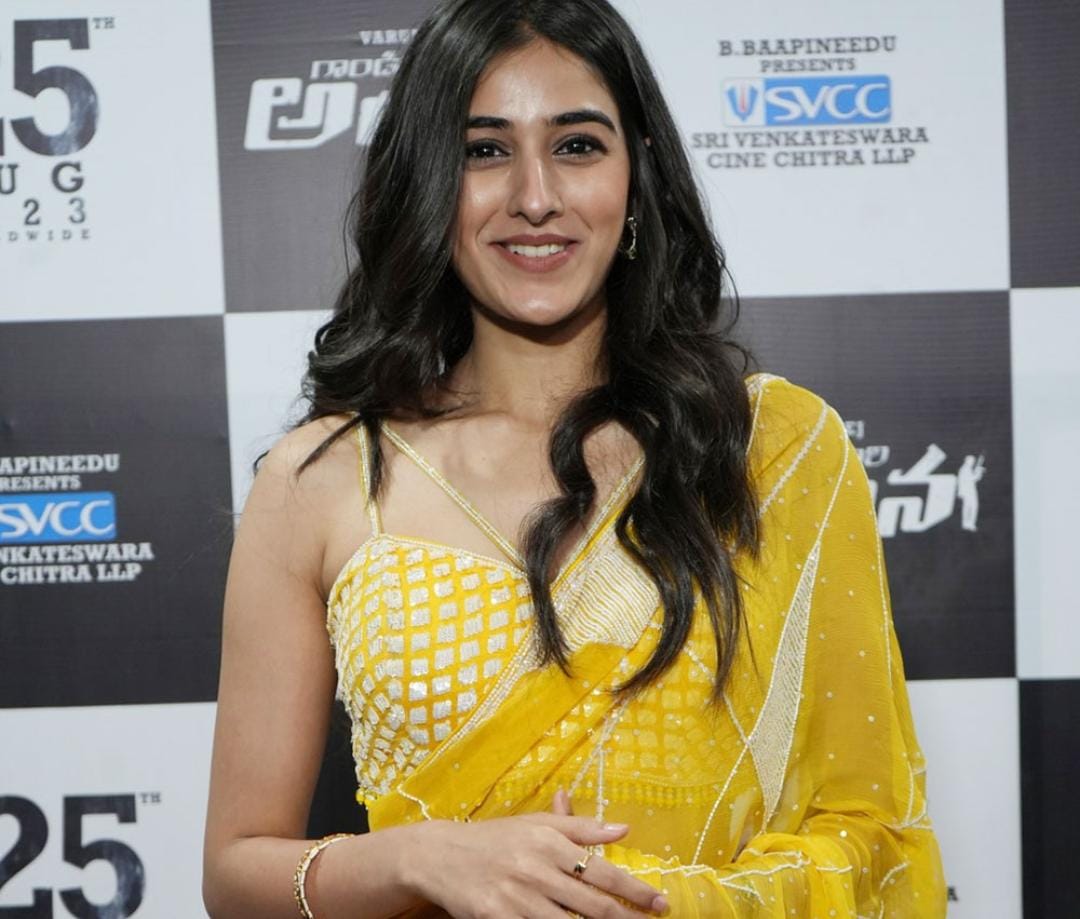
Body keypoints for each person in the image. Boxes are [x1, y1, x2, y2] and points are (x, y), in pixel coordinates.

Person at [202, 0, 947, 916]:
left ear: (637, 174)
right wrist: (417, 857)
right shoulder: (321, 479)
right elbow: (236, 872)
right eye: (484, 150)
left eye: (578, 145)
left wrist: (660, 902)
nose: (535, 196)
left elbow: (871, 830)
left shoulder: (772, 452)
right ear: (429, 180)